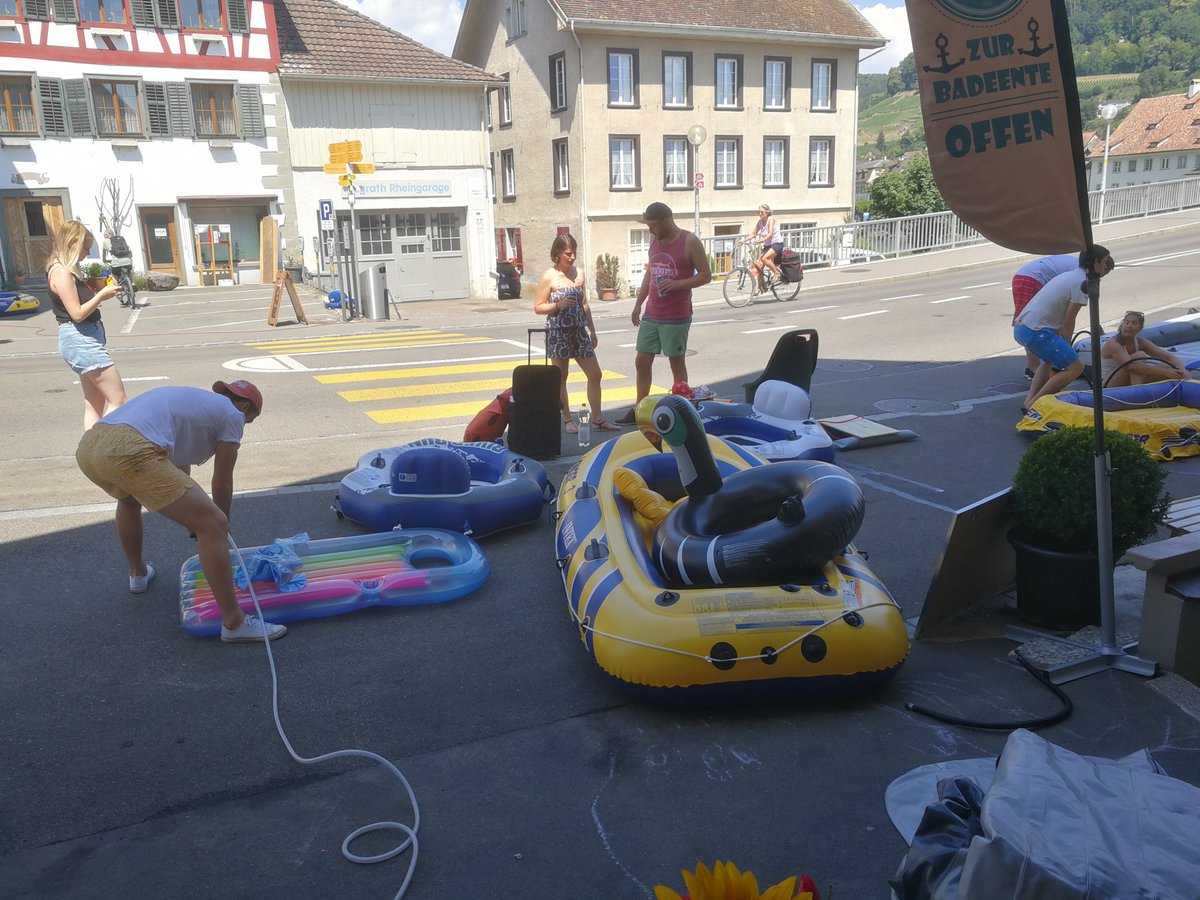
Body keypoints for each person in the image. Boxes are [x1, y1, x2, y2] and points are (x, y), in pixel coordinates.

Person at [75, 380, 287, 644]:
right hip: (129, 449)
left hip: (92, 445)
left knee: (129, 500)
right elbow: (222, 480)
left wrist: (194, 519)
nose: (244, 427)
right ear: (244, 407)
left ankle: (138, 574)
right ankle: (234, 622)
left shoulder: (194, 405)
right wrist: (219, 527)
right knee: (213, 525)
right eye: (249, 421)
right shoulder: (233, 414)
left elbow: (178, 469)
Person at [616, 202, 712, 425]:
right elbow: (650, 273)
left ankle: (682, 410)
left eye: (652, 225)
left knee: (676, 363)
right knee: (641, 360)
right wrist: (638, 303)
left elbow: (706, 275)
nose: (650, 230)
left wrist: (677, 284)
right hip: (652, 313)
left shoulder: (689, 241)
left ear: (665, 222)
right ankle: (640, 409)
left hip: (676, 316)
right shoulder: (654, 240)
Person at [532, 232, 621, 432]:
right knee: (561, 377)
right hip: (559, 331)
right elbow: (538, 307)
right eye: (568, 254)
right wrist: (558, 304)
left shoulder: (579, 273)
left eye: (574, 253)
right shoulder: (550, 276)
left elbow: (585, 304)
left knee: (595, 374)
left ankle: (597, 418)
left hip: (579, 331)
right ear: (557, 253)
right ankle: (567, 419)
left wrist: (593, 330)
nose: (572, 258)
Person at [46, 219, 128, 429]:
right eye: (85, 248)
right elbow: (77, 314)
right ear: (72, 243)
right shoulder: (62, 273)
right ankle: (101, 450)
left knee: (95, 404)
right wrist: (101, 295)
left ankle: (91, 454)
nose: (86, 253)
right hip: (81, 341)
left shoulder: (65, 269)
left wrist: (100, 291)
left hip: (81, 341)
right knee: (119, 401)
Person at [1015, 246, 1115, 410]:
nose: (1105, 266)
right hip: (1036, 331)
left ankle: (1030, 402)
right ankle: (1035, 404)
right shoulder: (1082, 283)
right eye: (1104, 262)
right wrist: (1066, 346)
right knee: (1076, 367)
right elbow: (1069, 321)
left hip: (1023, 327)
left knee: (1047, 362)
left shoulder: (1071, 275)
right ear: (1095, 262)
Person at [1011, 253, 1081, 380]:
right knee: (1032, 323)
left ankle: (1035, 367)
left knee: (1035, 321)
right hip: (1032, 279)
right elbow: (1067, 316)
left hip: (1024, 276)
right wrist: (1066, 348)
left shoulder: (1074, 265)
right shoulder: (1079, 273)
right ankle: (1034, 368)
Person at [1101, 310, 1190, 387]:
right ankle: (1137, 392)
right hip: (1108, 384)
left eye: (1134, 323)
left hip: (1129, 381)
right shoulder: (1114, 344)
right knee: (1139, 356)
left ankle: (1143, 391)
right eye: (1126, 322)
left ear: (1140, 328)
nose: (1129, 326)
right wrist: (1164, 372)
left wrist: (1182, 369)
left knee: (1168, 365)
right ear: (1122, 325)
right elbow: (1132, 367)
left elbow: (1169, 357)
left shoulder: (1140, 342)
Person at [737, 204, 784, 293]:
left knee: (764, 258)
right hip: (768, 245)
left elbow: (770, 234)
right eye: (758, 212)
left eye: (761, 212)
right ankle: (760, 288)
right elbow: (754, 233)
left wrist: (761, 240)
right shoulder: (760, 222)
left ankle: (777, 273)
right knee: (759, 266)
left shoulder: (771, 220)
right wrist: (744, 240)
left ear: (767, 212)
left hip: (777, 244)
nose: (760, 214)